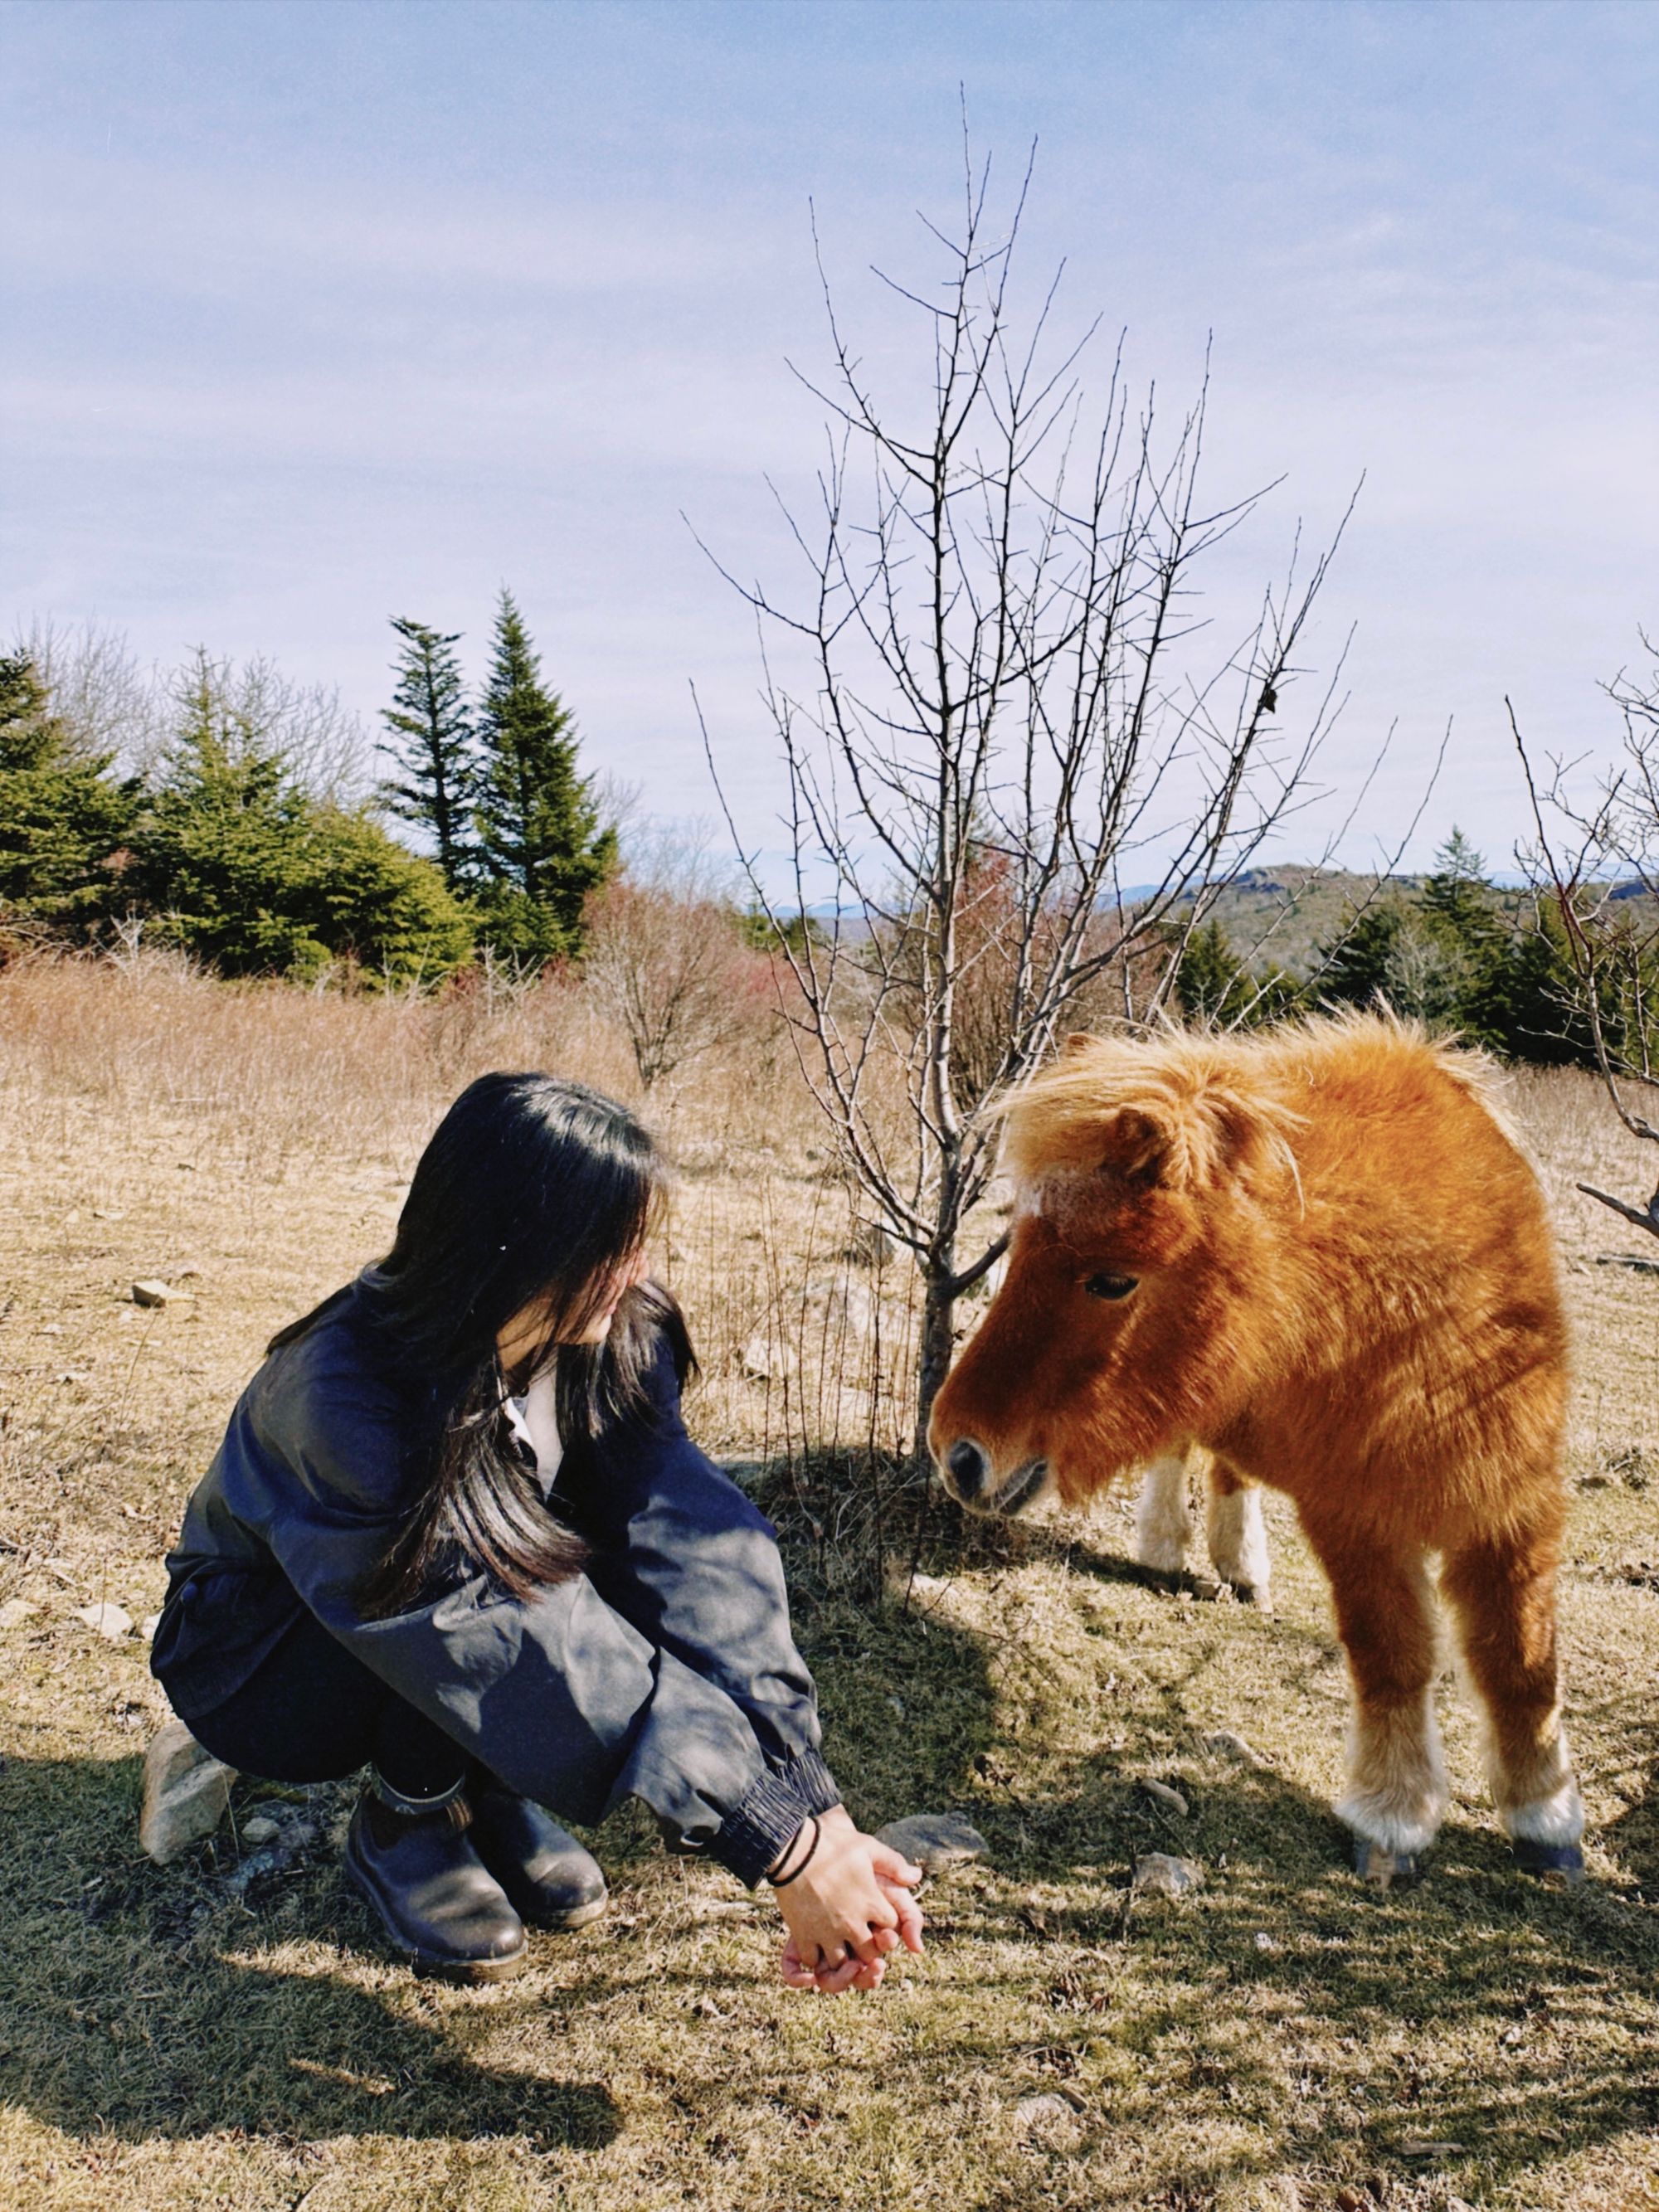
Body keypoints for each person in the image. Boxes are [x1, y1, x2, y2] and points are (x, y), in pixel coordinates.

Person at [148, 1071, 923, 1991]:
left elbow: (694, 1548)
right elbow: (492, 1627)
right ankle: (409, 1820)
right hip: (268, 1660)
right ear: (508, 1243)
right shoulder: (346, 1401)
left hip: (466, 1610)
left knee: (577, 1538)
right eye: (606, 1246)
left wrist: (808, 1803)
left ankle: (492, 1787)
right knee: (476, 1591)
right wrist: (778, 1847)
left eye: (635, 1241)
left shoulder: (610, 1338)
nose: (633, 1271)